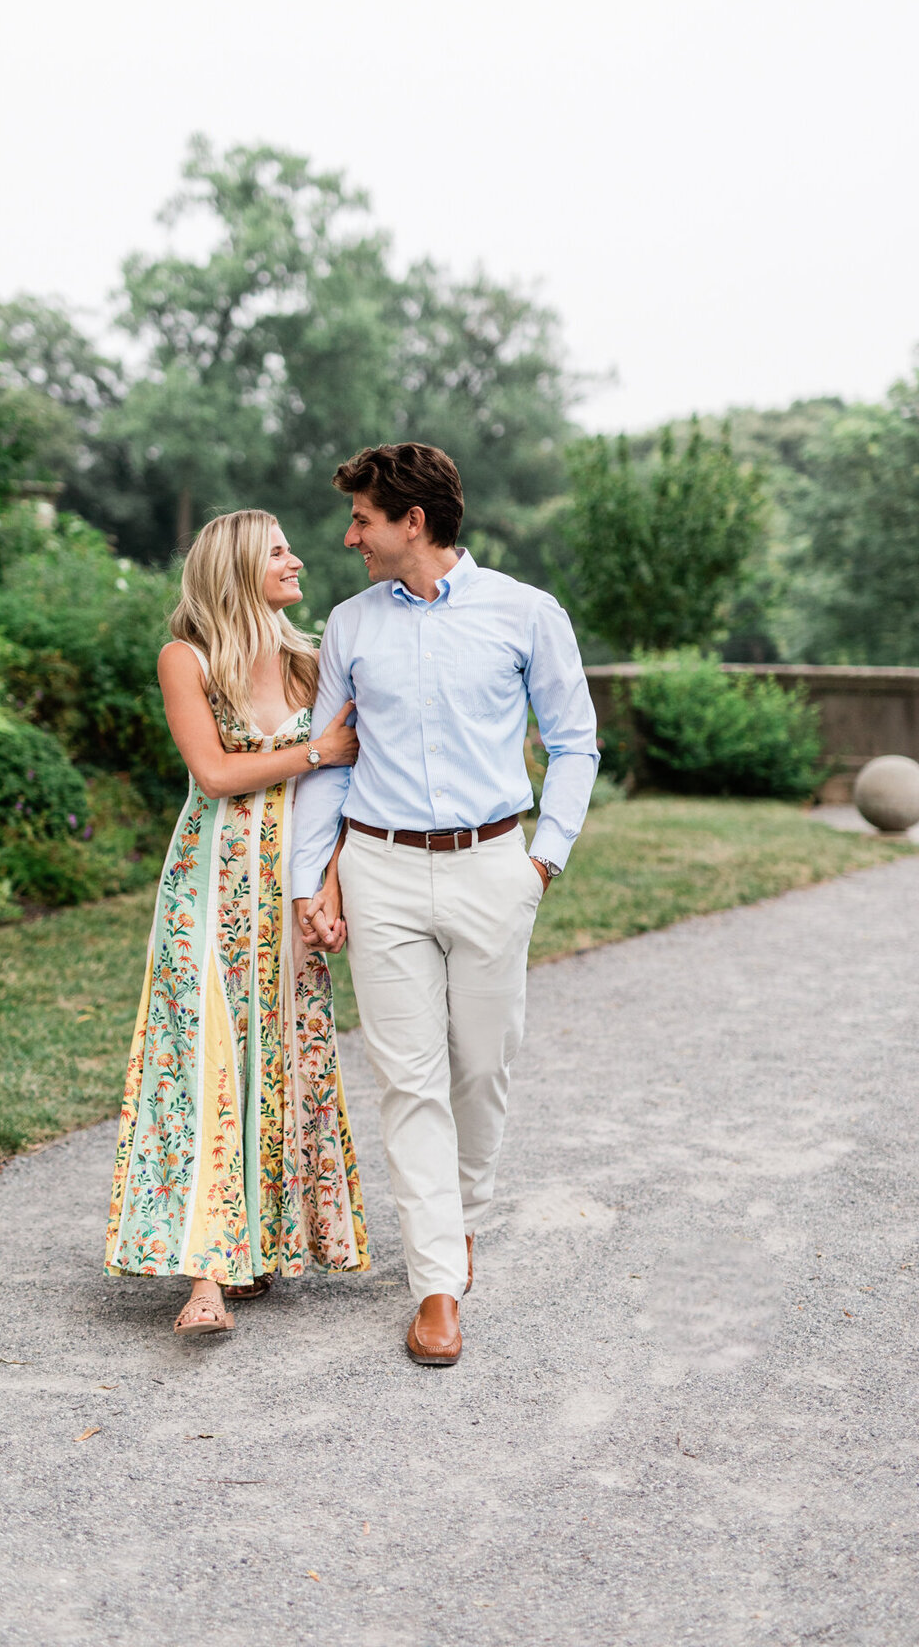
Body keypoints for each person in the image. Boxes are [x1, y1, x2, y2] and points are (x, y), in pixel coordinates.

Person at [291, 443, 598, 1366]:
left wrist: (542, 860)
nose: (351, 538)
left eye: (363, 520)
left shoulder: (526, 612)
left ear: (412, 523)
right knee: (408, 1079)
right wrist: (311, 879)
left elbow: (575, 743)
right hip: (381, 871)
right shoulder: (350, 624)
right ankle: (435, 1282)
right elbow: (329, 758)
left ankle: (461, 1216)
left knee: (481, 1065)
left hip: (494, 866)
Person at [104, 509, 369, 1336]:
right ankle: (207, 1279)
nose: (297, 561)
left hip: (289, 889)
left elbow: (344, 795)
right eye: (278, 551)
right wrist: (317, 750)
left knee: (280, 1057)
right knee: (203, 1062)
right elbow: (216, 774)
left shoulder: (310, 662)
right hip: (206, 891)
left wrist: (329, 892)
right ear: (239, 566)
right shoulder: (185, 659)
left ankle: (256, 1247)